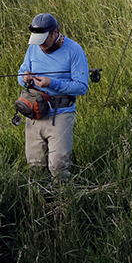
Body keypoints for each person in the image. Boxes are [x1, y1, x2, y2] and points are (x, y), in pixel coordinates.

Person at [17, 12, 89, 179]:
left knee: (58, 166)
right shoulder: (33, 47)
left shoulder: (74, 51)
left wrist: (52, 83)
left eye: (43, 41)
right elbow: (20, 75)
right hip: (34, 112)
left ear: (55, 33)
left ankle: (64, 198)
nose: (40, 46)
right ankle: (39, 199)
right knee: (34, 166)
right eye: (37, 41)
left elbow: (81, 87)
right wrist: (24, 77)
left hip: (61, 114)